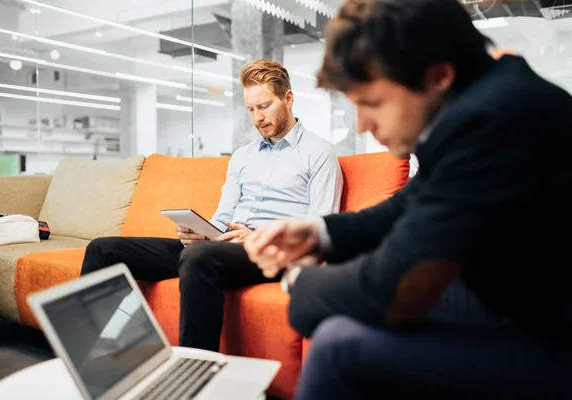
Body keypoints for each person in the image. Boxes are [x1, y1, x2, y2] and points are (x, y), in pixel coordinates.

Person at [244, 0, 572, 398]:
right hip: (515, 294)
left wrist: (300, 282)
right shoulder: (485, 99)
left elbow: (397, 291)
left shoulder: (494, 120)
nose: (363, 124)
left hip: (551, 336)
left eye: (372, 103)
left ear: (438, 77)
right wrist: (316, 232)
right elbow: (408, 205)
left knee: (336, 345)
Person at [81, 59, 343, 352]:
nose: (258, 117)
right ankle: (98, 359)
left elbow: (319, 232)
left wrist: (256, 236)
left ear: (288, 99)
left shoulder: (319, 153)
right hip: (222, 246)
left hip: (269, 252)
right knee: (103, 249)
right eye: (251, 109)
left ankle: (195, 376)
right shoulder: (242, 157)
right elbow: (224, 216)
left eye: (265, 106)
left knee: (199, 257)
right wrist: (201, 232)